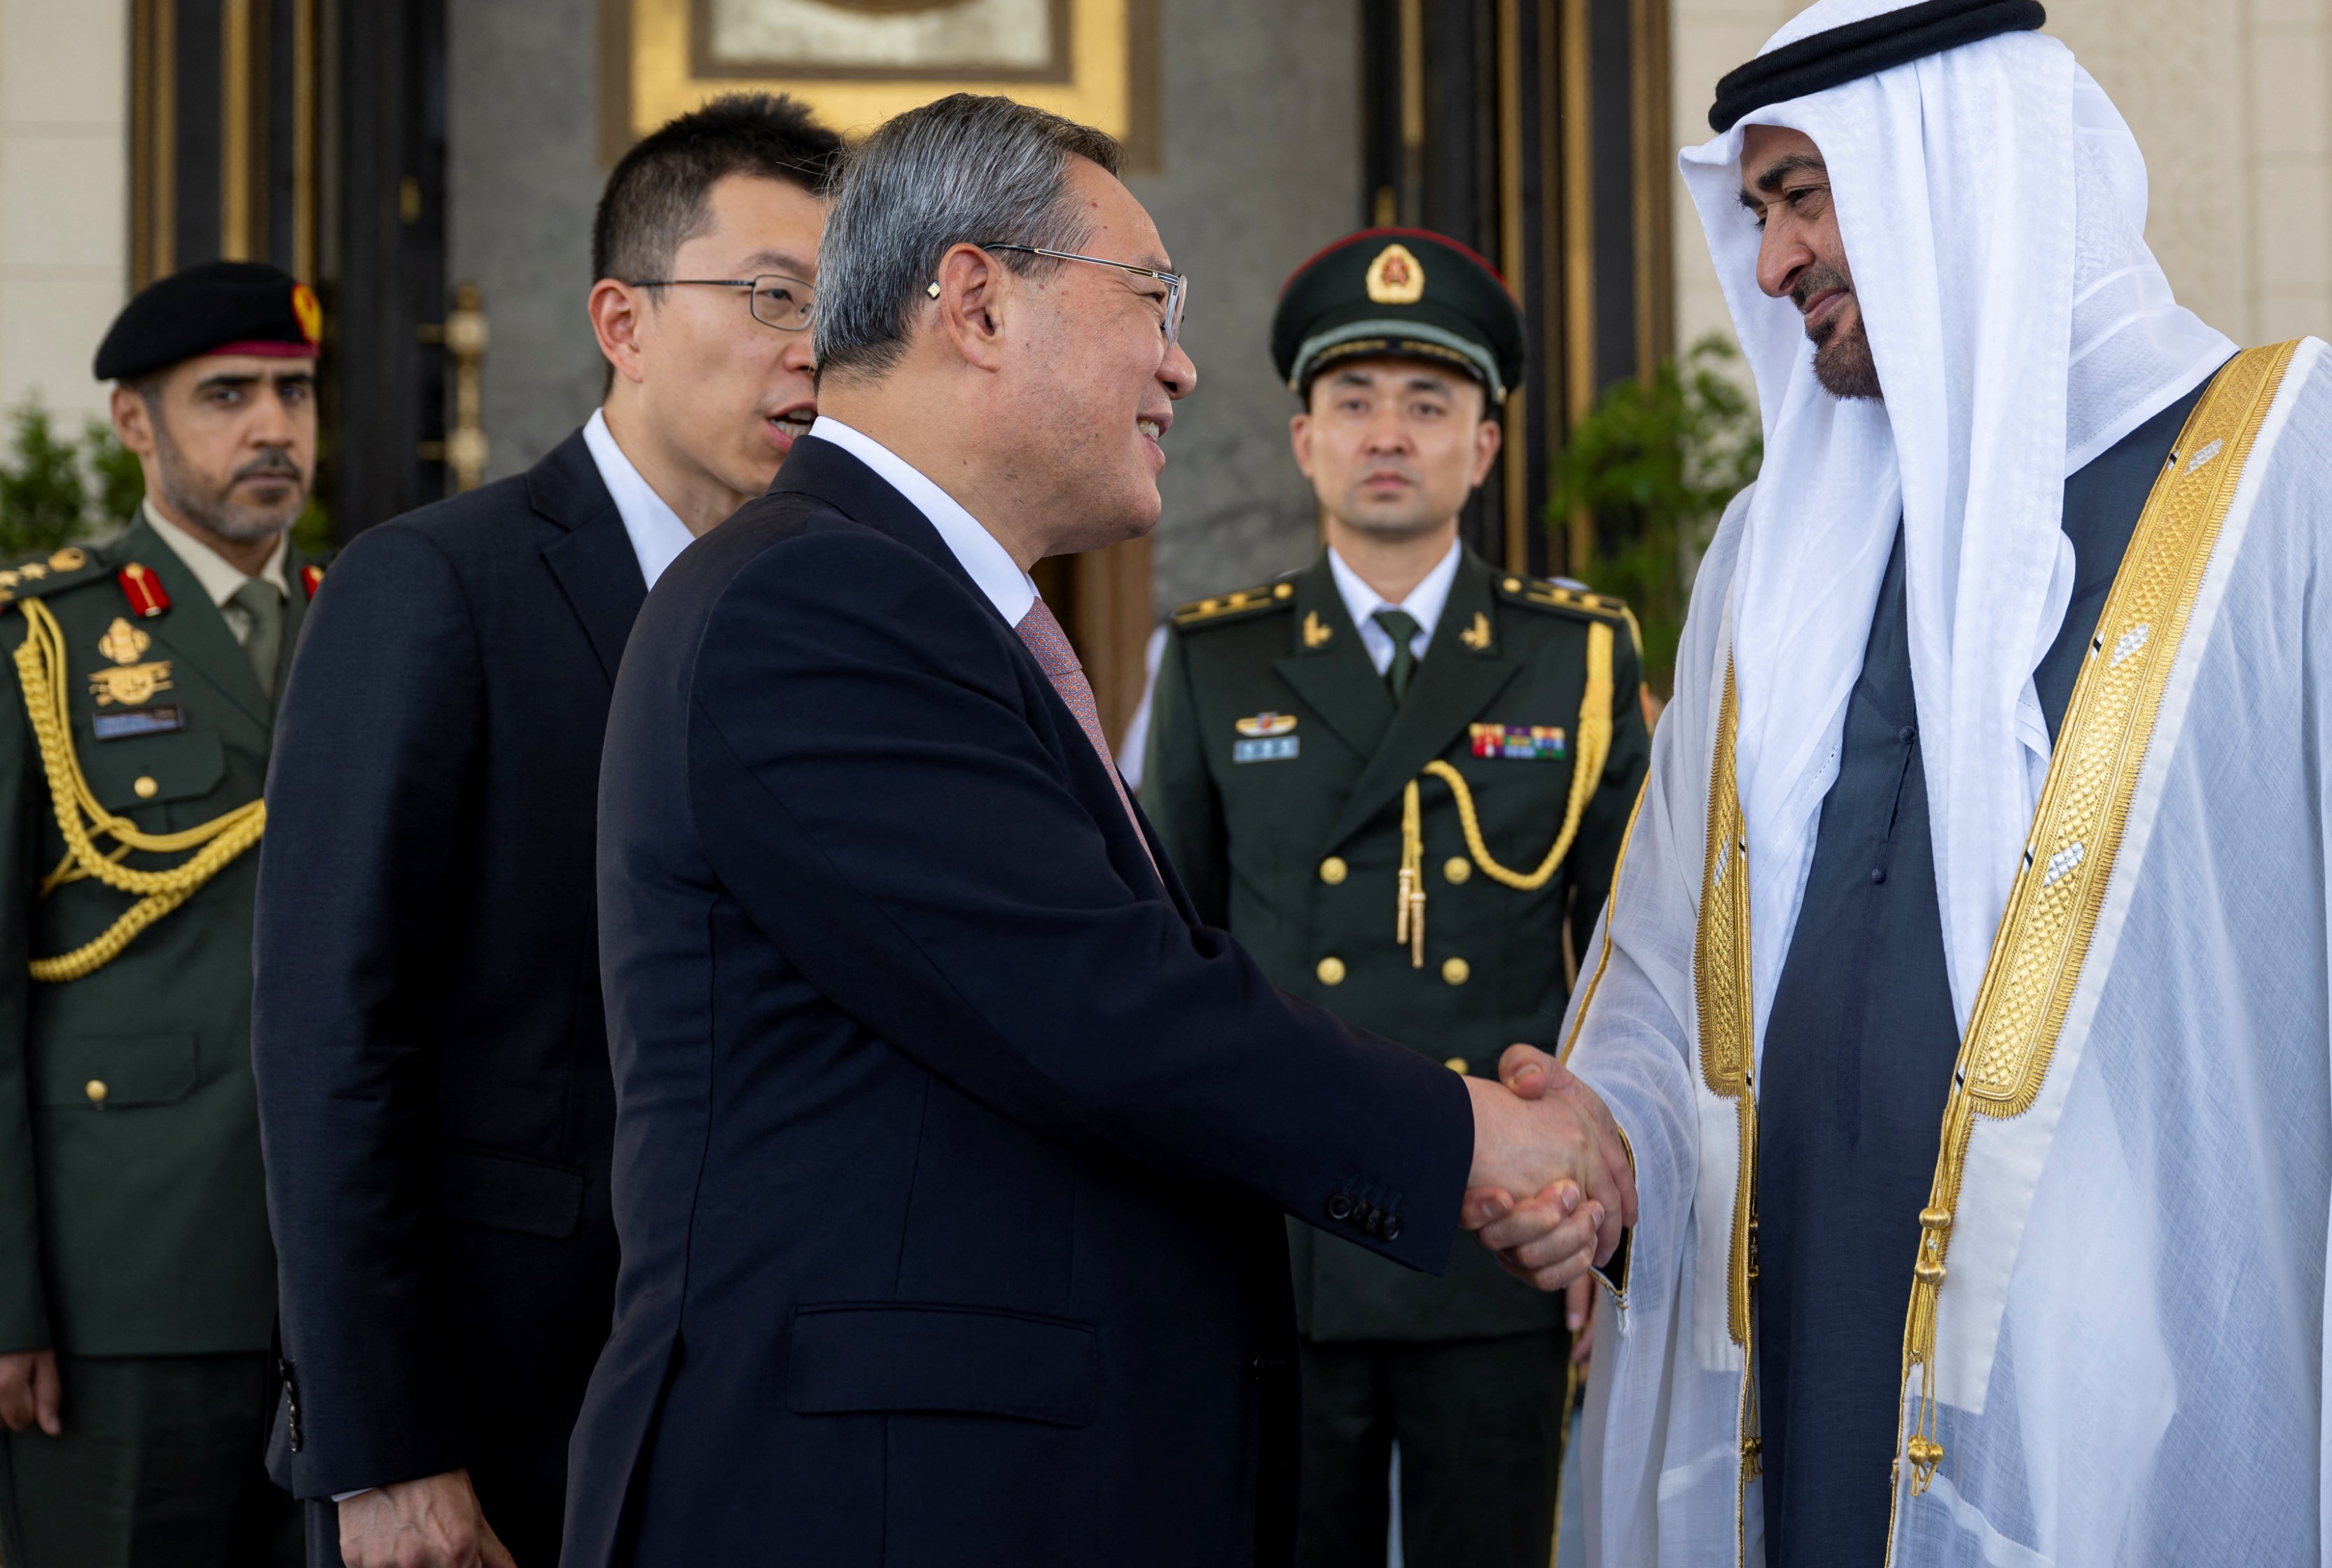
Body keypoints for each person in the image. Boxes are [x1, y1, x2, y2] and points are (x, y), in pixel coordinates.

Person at [1478, 0, 2332, 1565]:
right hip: (1790, 1387)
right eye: (1757, 212)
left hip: (2146, 1428)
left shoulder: (2305, 477)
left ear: (1954, 167)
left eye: (1802, 197)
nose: (1772, 260)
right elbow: (1672, 973)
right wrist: (1596, 1147)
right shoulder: (1774, 548)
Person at [564, 92, 1632, 1568]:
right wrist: (1470, 1138)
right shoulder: (814, 605)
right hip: (876, 1505)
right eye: (1151, 300)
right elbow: (1101, 1001)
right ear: (979, 303)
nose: (1183, 365)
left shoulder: (904, 600)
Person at [253, 95, 842, 1567]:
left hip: (763, 1411)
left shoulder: (830, 616)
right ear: (621, 321)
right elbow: (331, 1042)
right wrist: (385, 1455)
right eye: (772, 297)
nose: (812, 349)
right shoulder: (435, 588)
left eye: (842, 309)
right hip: (492, 1416)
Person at [1139, 230, 1649, 1568]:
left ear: (1483, 447)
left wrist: (1607, 1204)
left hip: (1496, 1241)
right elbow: (1165, 962)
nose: (1389, 434)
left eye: (1430, 405)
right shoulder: (1210, 661)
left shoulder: (1577, 659)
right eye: (1354, 402)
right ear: (1303, 439)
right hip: (1286, 1244)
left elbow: (1630, 965)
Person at [0, 261, 326, 1567]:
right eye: (228, 395)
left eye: (296, 394)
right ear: (137, 424)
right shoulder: (47, 640)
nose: (273, 428)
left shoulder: (366, 616)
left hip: (333, 1290)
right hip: (118, 1290)